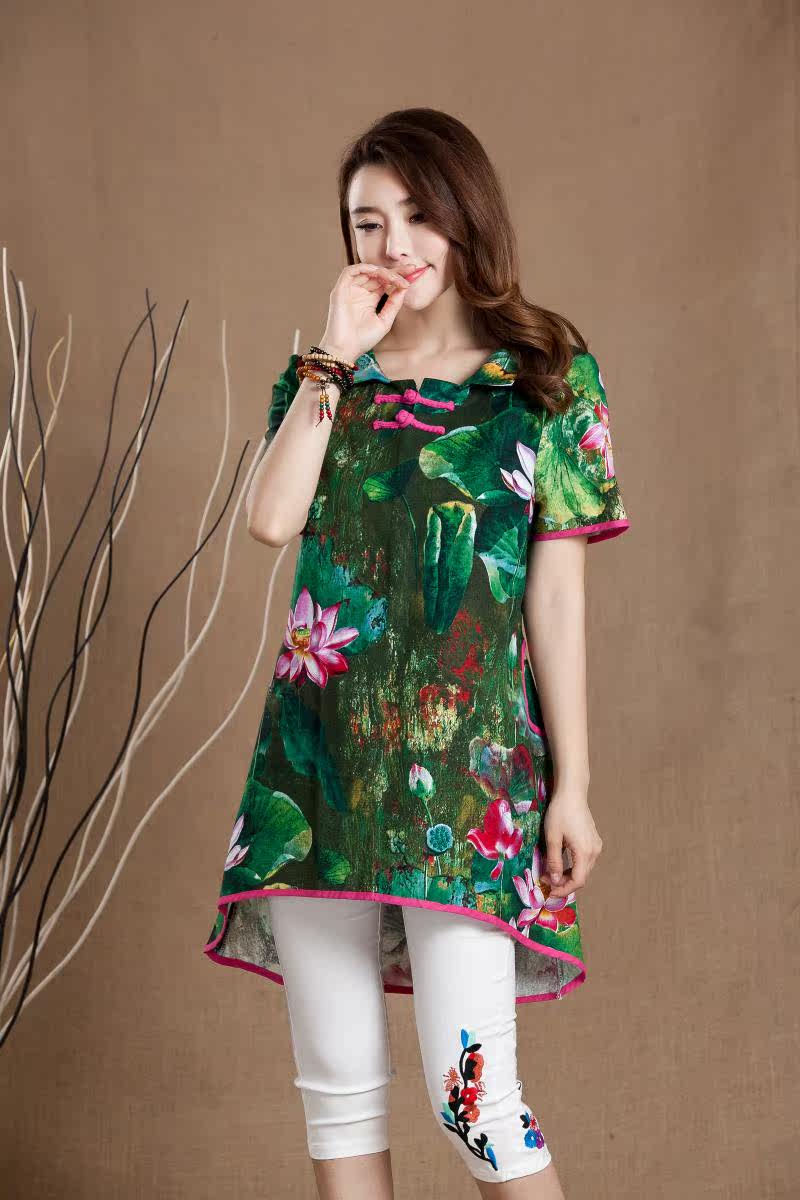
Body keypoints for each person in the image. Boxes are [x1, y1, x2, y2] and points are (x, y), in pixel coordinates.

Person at [203, 107, 631, 1199]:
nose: (394, 245)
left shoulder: (544, 378)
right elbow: (270, 521)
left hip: (469, 780)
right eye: (366, 222)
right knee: (339, 1100)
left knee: (474, 1102)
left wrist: (573, 787)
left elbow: (556, 598)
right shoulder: (326, 379)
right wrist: (333, 357)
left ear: (464, 215)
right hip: (317, 772)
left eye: (417, 215)